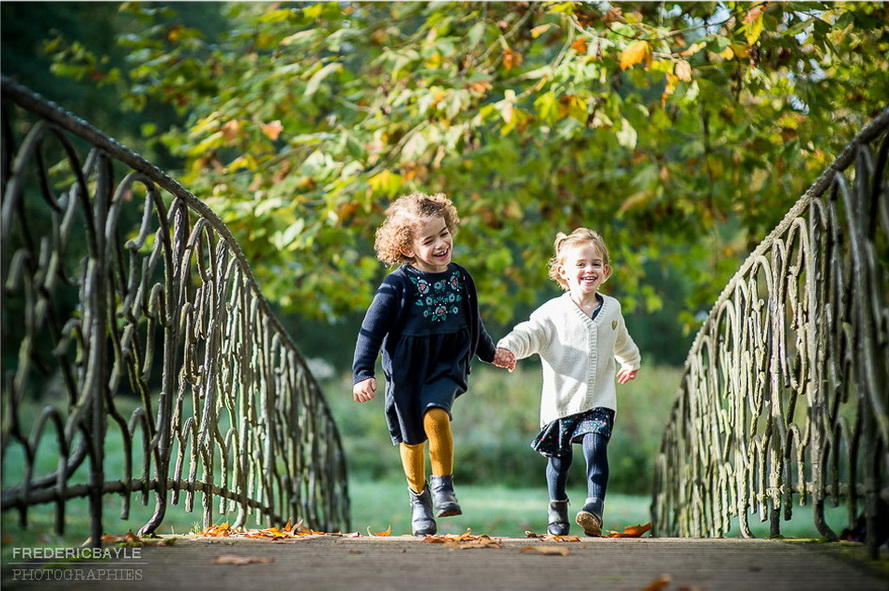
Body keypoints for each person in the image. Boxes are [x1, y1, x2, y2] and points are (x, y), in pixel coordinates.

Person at [352, 191, 515, 536]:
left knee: (436, 415)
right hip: (407, 370)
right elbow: (370, 331)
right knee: (411, 439)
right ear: (408, 248)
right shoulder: (397, 285)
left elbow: (472, 321)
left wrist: (490, 352)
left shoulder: (461, 278)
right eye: (429, 240)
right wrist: (362, 373)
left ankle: (443, 486)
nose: (442, 243)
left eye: (444, 233)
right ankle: (419, 499)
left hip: (446, 363)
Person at [497, 228, 640, 536]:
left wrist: (631, 362)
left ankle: (593, 507)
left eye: (596, 264)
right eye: (581, 264)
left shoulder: (612, 308)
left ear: (605, 270)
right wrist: (508, 348)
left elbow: (622, 341)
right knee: (559, 463)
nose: (589, 270)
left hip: (599, 399)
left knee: (596, 447)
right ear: (563, 272)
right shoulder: (552, 312)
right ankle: (557, 507)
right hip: (560, 403)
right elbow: (529, 333)